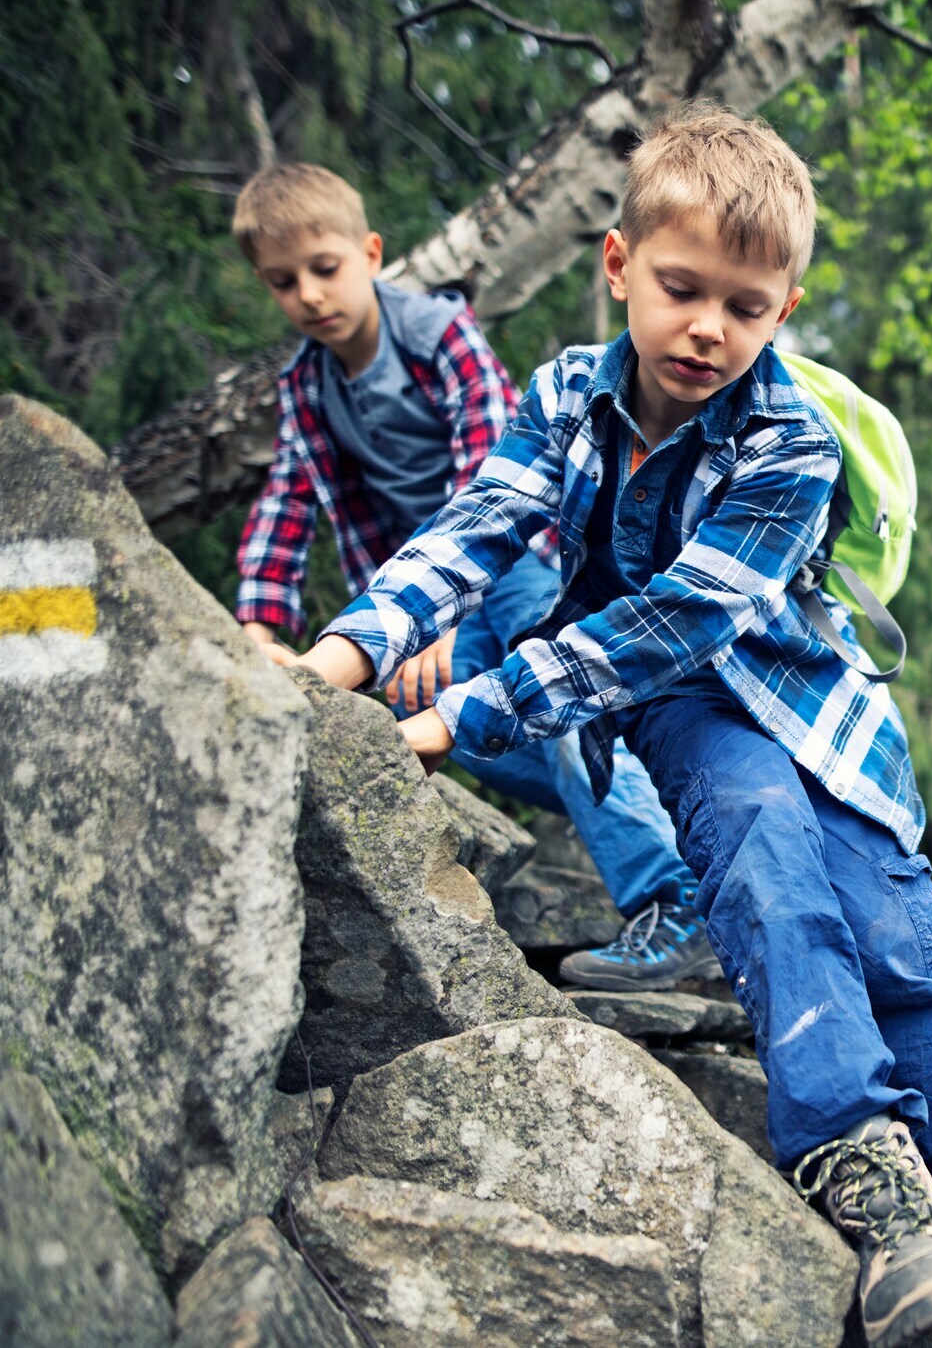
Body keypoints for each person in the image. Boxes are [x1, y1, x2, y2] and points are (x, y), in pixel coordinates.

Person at [283, 104, 932, 1347]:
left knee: (896, 942)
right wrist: (340, 658)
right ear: (619, 266)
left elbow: (679, 617)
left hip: (822, 712)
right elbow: (474, 530)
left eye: (746, 308)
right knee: (764, 862)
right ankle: (877, 1195)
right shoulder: (562, 397)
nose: (708, 329)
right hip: (691, 708)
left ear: (783, 311)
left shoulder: (791, 442)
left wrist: (465, 713)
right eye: (682, 290)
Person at [227, 163, 717, 991]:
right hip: (414, 605)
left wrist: (440, 618)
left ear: (370, 254)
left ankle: (680, 897)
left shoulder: (439, 334)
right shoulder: (306, 388)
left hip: (516, 569)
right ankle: (677, 830)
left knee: (557, 701)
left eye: (325, 268)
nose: (309, 294)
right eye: (283, 282)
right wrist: (257, 630)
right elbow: (287, 498)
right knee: (469, 739)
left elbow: (495, 479)